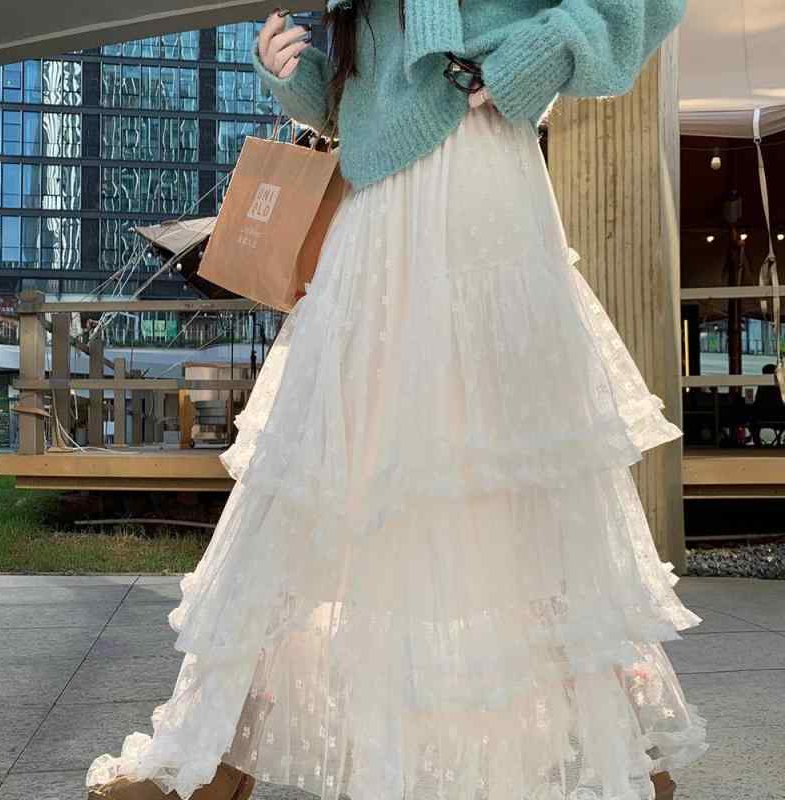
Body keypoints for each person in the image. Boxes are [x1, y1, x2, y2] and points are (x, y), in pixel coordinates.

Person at [87, 1, 708, 799]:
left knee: (517, 479)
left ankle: (630, 757)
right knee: (322, 476)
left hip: (480, 183)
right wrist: (295, 73)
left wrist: (542, 50)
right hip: (374, 212)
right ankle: (210, 753)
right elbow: (372, 90)